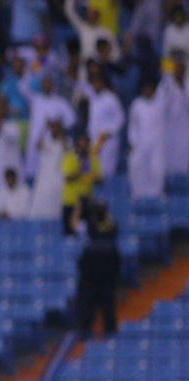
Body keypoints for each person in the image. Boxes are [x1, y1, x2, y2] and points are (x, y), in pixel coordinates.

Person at [72, 197, 119, 338]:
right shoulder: (111, 227)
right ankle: (110, 336)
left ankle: (85, 338)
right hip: (106, 278)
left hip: (90, 278)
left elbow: (73, 223)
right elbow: (109, 223)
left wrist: (79, 209)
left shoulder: (88, 227)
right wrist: (104, 212)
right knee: (108, 310)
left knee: (87, 310)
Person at [127, 78, 166, 200]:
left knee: (157, 169)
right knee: (136, 165)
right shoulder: (137, 104)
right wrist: (133, 142)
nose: (148, 91)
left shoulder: (160, 104)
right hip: (140, 142)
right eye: (146, 88)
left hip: (156, 143)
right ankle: (137, 194)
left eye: (151, 88)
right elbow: (132, 125)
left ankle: (157, 194)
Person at [85, 70, 124, 179]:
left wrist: (108, 131)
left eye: (98, 82)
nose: (96, 85)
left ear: (103, 83)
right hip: (94, 140)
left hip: (107, 141)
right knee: (94, 172)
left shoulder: (111, 98)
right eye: (93, 82)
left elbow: (120, 119)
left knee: (107, 172)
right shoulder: (92, 97)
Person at [62, 134, 102, 236]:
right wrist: (80, 168)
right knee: (70, 232)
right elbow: (67, 176)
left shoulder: (92, 159)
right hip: (71, 201)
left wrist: (92, 175)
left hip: (86, 201)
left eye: (85, 144)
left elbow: (99, 179)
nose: (83, 146)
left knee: (88, 232)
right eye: (81, 144)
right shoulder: (70, 157)